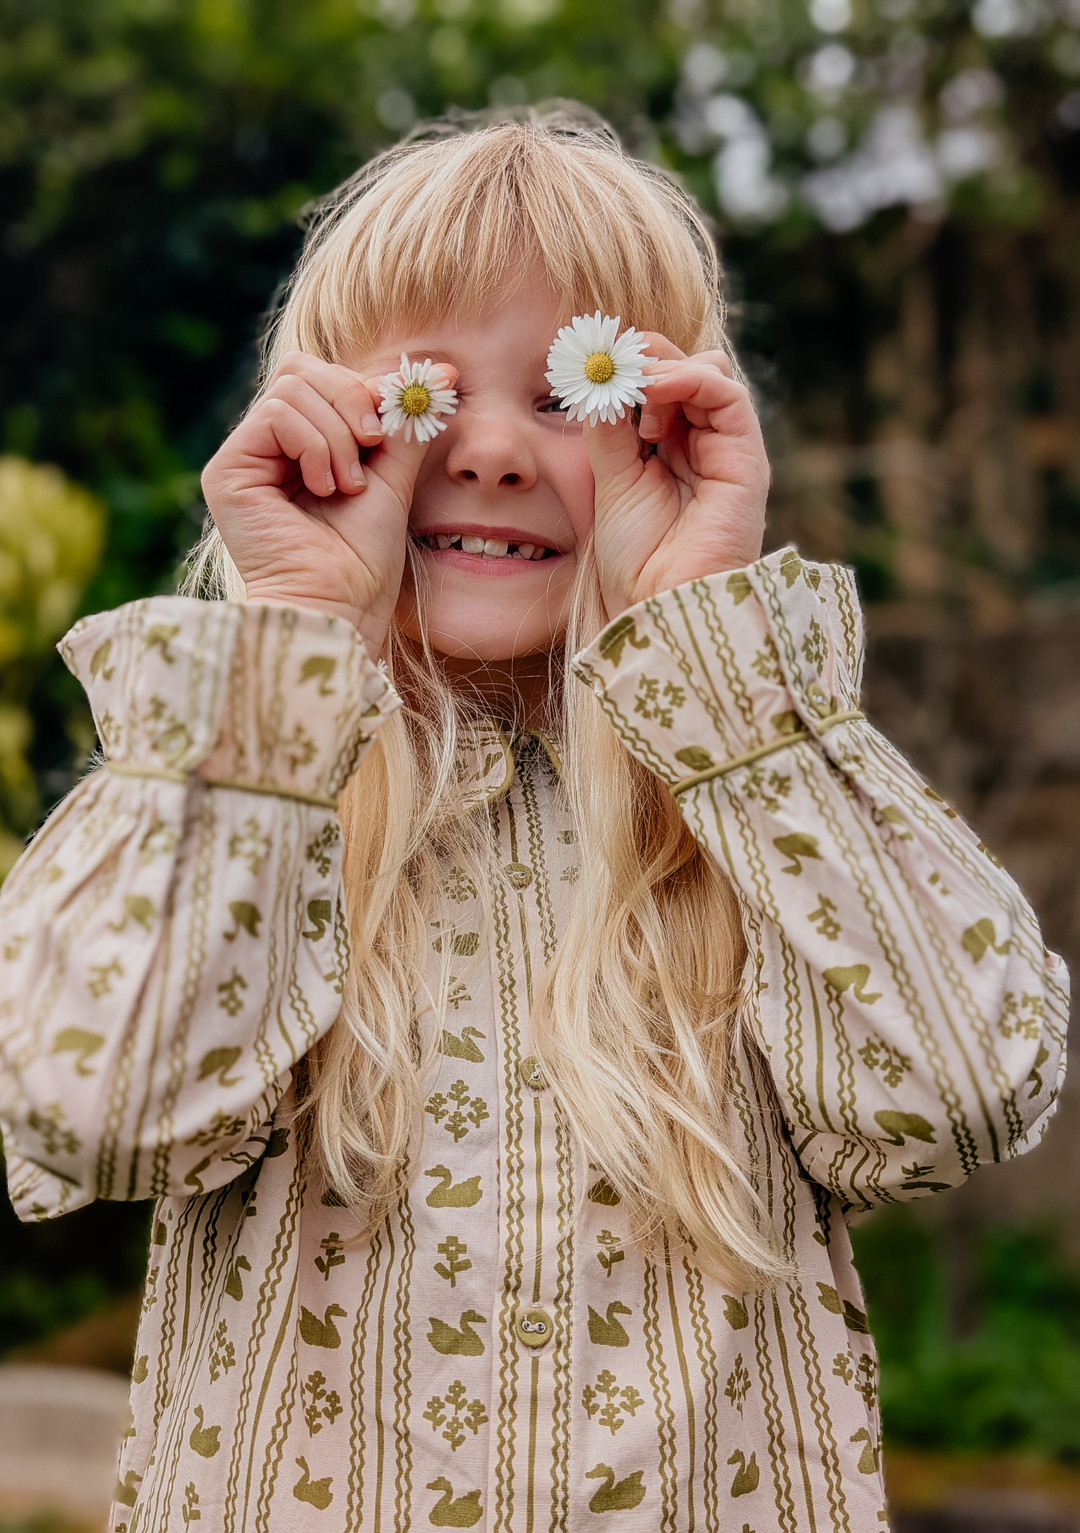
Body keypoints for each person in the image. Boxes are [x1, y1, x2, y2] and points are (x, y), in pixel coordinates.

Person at [0, 105, 1066, 1533]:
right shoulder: (246, 808)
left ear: (674, 432)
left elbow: (963, 1091)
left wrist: (716, 654)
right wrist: (293, 641)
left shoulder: (745, 813)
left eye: (576, 393)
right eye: (425, 396)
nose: (495, 452)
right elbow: (87, 1107)